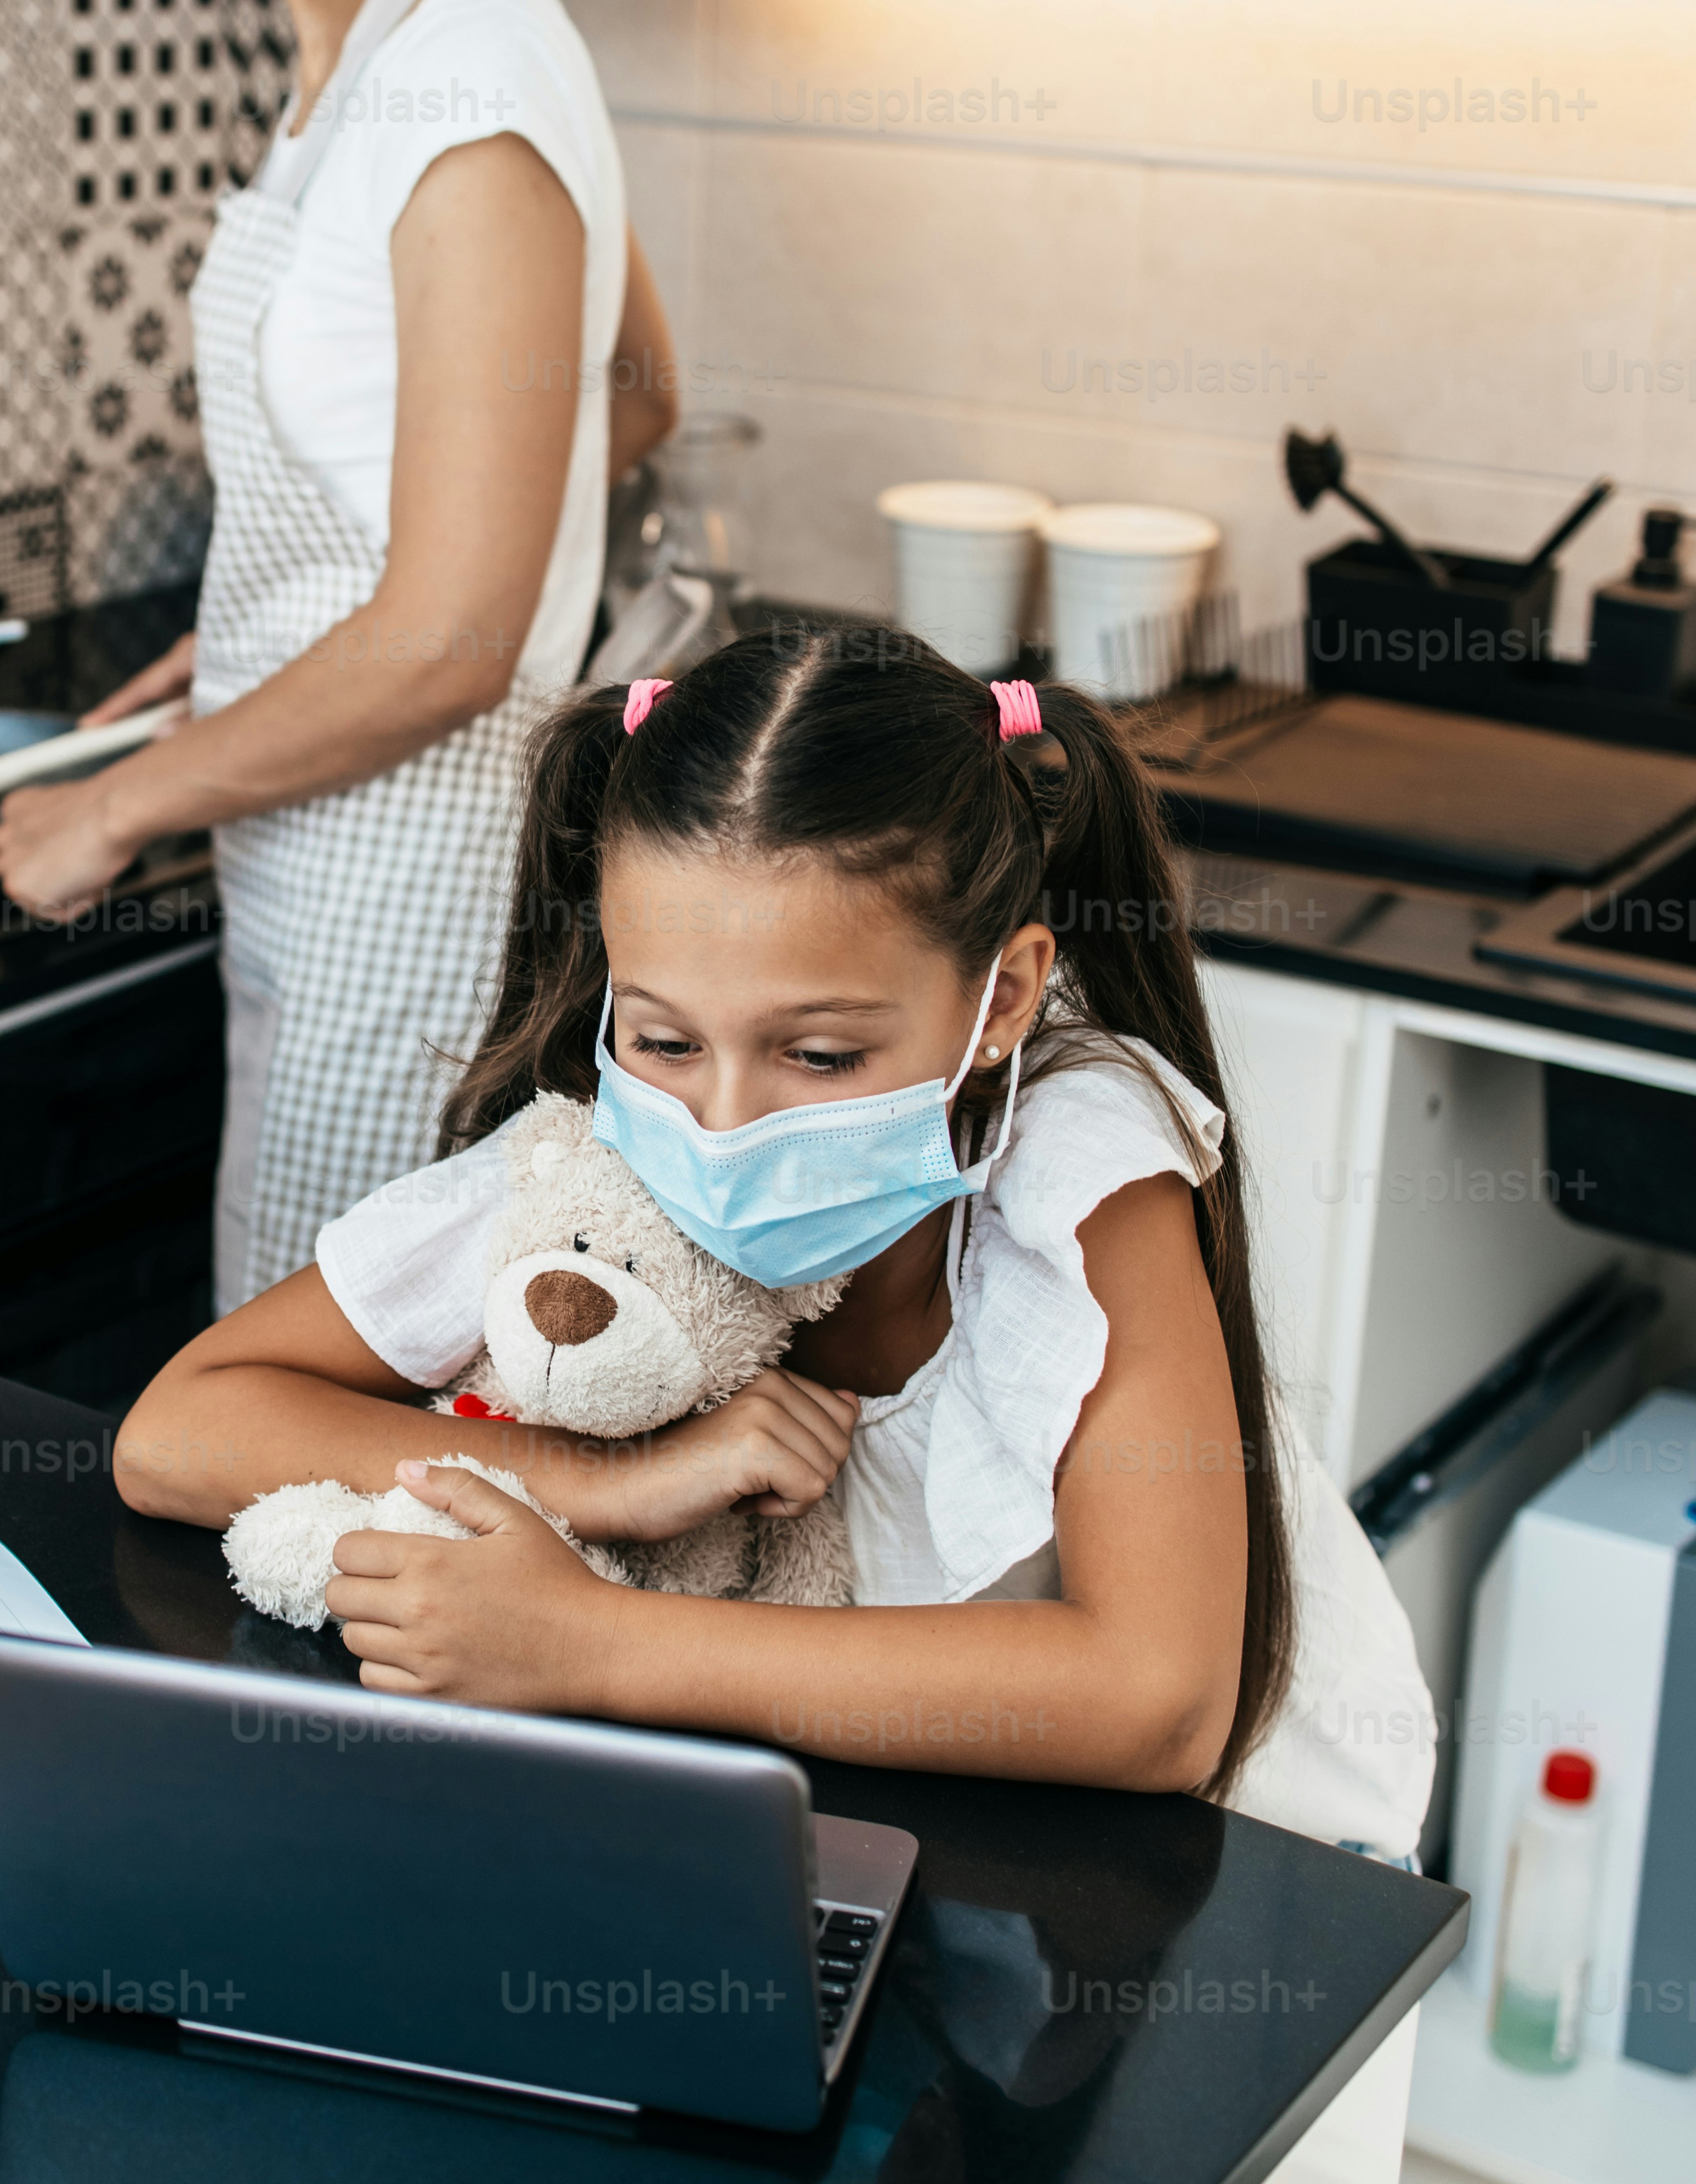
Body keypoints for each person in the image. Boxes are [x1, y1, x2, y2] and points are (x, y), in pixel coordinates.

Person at [116, 627, 1436, 1854]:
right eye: (664, 1037)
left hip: (1246, 1871)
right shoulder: (604, 1150)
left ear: (1002, 1001)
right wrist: (590, 1481)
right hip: (907, 1837)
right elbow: (176, 1432)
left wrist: (598, 1647)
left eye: (816, 1053)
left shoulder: (1081, 1152)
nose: (723, 1123)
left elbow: (1156, 1700)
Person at [0, 0, 674, 1308]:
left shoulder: (458, 107)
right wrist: (272, 636)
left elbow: (451, 640)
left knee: (327, 1492)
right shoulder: (417, 41)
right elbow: (630, 393)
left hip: (414, 917)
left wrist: (125, 800)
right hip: (330, 873)